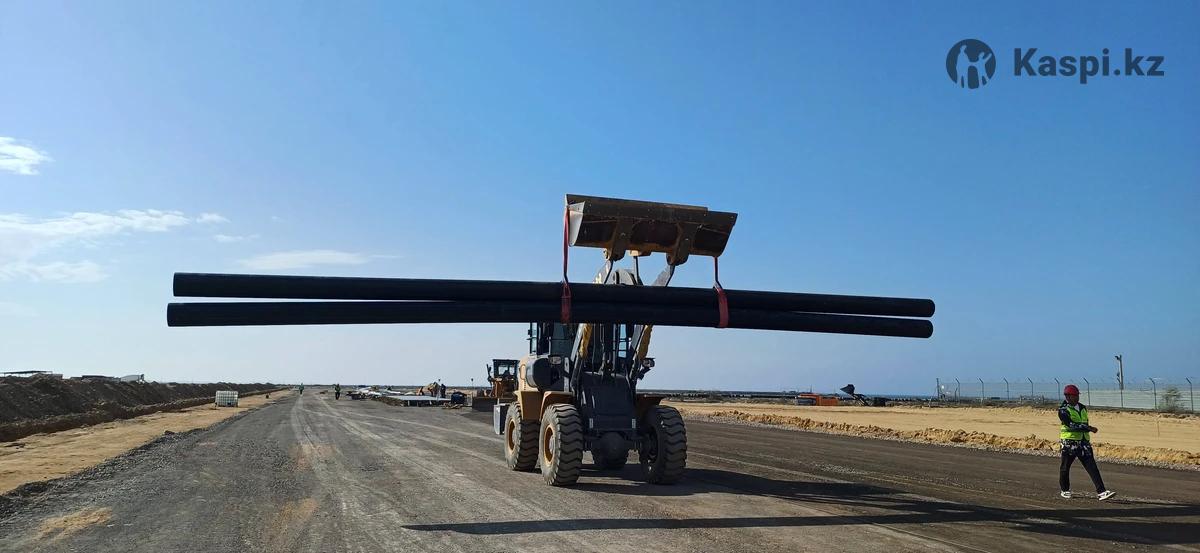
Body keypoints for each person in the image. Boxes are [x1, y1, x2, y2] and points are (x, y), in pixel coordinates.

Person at [1058, 384, 1115, 500]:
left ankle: (1102, 491)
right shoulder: (1063, 410)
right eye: (1074, 396)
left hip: (1084, 442)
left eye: (1077, 395)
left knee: (1092, 466)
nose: (1077, 398)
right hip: (1069, 443)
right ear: (1067, 397)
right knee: (1065, 467)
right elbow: (1071, 425)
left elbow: (1083, 422)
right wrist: (1088, 428)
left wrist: (1087, 429)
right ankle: (1065, 489)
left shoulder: (1083, 408)